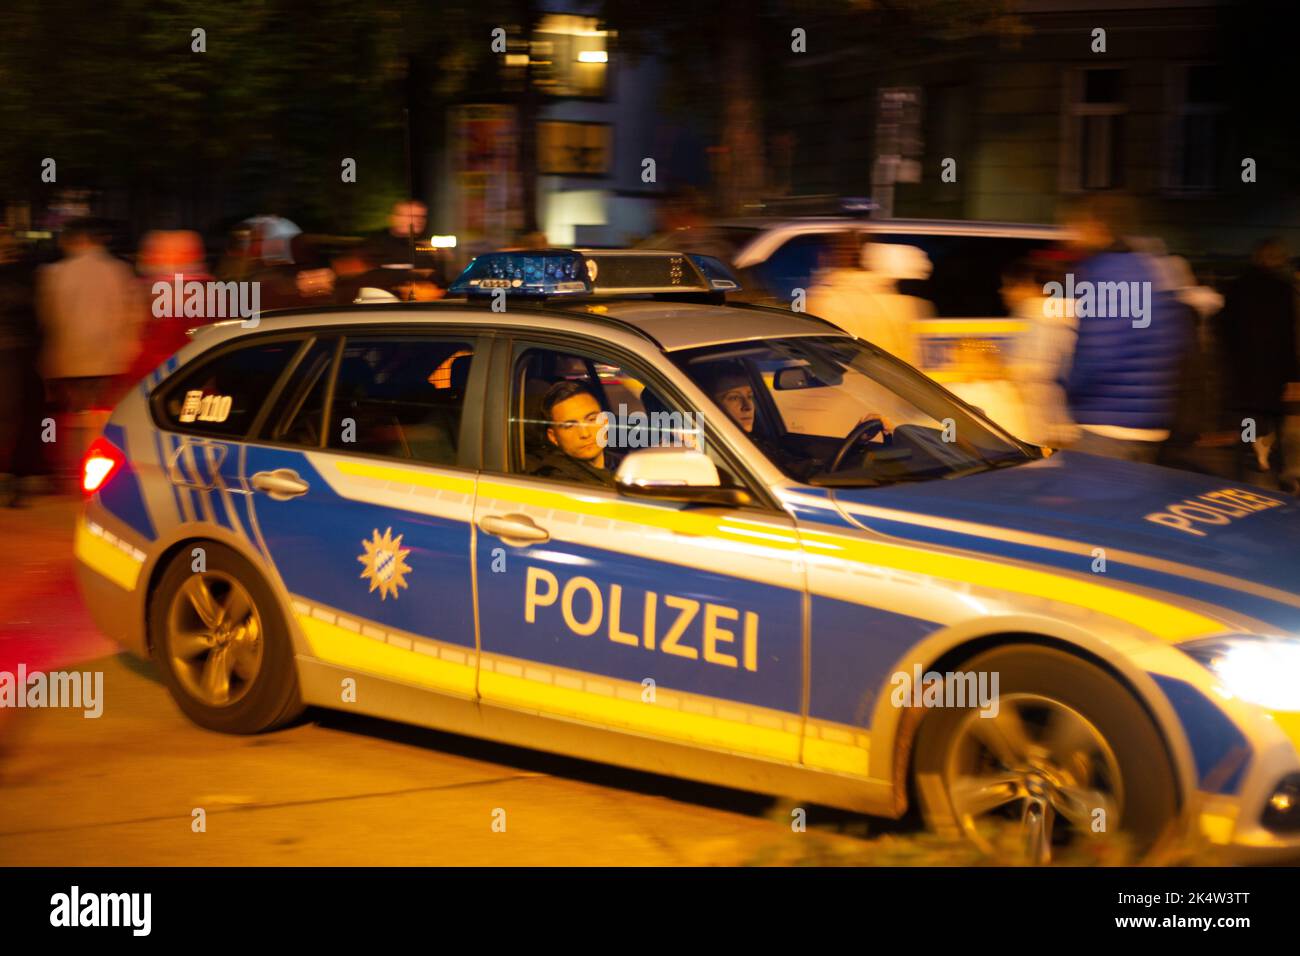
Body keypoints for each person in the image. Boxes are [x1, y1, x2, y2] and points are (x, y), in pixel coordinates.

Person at [1060, 193, 1188, 464]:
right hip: (1150, 423)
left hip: (1105, 425)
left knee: (1091, 503)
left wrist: (1067, 386)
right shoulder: (1153, 268)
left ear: (1097, 226)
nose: (1069, 231)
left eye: (1075, 223)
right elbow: (1176, 341)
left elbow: (1098, 353)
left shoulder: (1104, 272)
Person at [36, 218, 143, 483]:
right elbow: (132, 316)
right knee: (103, 417)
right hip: (109, 359)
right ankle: (100, 475)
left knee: (72, 417)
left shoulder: (55, 273)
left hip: (68, 357)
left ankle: (71, 472)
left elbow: (48, 317)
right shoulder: (119, 271)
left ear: (74, 241)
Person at [1217, 237, 1298, 482]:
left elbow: (1224, 332)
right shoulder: (1283, 290)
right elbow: (1289, 337)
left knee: (1249, 429)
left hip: (1244, 382)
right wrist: (1293, 377)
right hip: (1274, 382)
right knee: (1273, 430)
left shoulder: (1238, 288)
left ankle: (1249, 468)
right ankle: (1273, 470)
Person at [805, 232, 931, 367]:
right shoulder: (909, 306)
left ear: (826, 258)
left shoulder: (822, 302)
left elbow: (814, 360)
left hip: (848, 386)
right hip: (899, 385)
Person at [532, 381, 619, 486]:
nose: (585, 434)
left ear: (605, 422)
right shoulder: (558, 481)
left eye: (591, 419)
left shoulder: (619, 462)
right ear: (553, 437)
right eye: (570, 426)